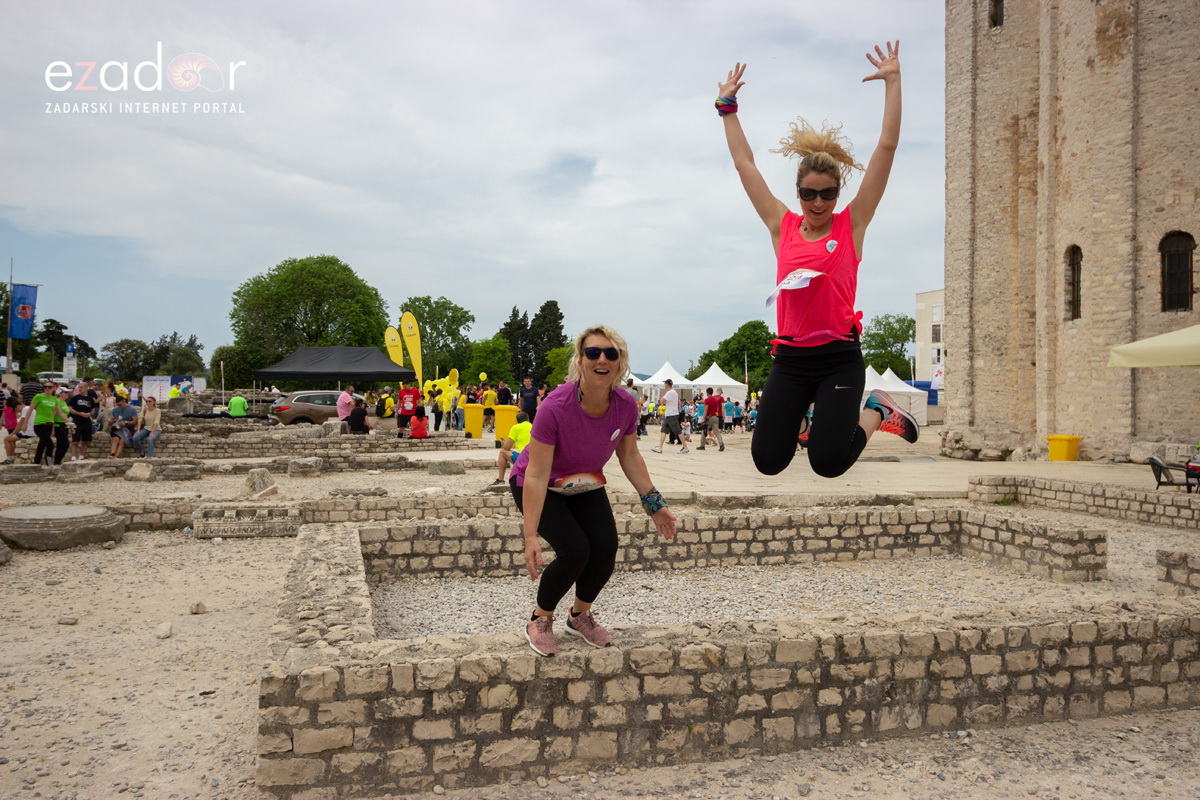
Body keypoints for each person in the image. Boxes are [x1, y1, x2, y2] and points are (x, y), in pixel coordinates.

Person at [717, 47, 918, 481]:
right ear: (798, 193)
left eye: (828, 193)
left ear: (838, 194)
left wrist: (894, 82)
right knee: (768, 461)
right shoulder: (781, 225)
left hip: (838, 356)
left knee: (828, 463)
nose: (819, 202)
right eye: (809, 194)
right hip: (789, 357)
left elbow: (887, 146)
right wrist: (727, 108)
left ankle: (877, 410)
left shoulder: (853, 224)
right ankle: (809, 419)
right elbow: (744, 164)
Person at [510, 325, 677, 657]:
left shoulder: (626, 406)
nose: (602, 359)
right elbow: (537, 473)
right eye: (593, 352)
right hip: (536, 483)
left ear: (619, 363)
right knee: (575, 551)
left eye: (610, 354)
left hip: (583, 483)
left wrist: (654, 503)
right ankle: (540, 619)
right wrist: (530, 536)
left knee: (604, 548)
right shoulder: (555, 405)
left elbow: (629, 455)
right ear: (581, 360)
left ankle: (579, 615)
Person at [494, 410, 533, 485]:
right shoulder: (533, 426)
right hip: (534, 459)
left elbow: (507, 447)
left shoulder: (516, 427)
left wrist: (503, 443)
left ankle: (500, 480)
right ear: (528, 419)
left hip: (524, 459)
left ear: (517, 421)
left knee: (502, 452)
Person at [650, 379, 688, 454]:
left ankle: (685, 447)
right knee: (663, 430)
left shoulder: (670, 392)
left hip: (672, 415)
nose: (664, 385)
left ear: (667, 385)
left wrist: (662, 397)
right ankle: (660, 447)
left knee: (678, 431)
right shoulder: (673, 392)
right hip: (670, 414)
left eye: (665, 384)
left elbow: (662, 401)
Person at [31, 381, 62, 467]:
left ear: (53, 388)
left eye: (49, 387)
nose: (47, 388)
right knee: (50, 445)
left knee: (42, 445)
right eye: (45, 387)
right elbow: (30, 410)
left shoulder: (54, 399)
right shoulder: (38, 396)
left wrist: (68, 422)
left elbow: (57, 413)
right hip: (39, 424)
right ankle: (49, 464)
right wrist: (25, 423)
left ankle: (36, 463)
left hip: (49, 424)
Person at [67, 381, 99, 461]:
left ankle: (81, 457)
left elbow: (93, 409)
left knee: (85, 441)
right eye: (79, 387)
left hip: (87, 422)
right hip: (76, 421)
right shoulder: (75, 398)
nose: (79, 389)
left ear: (86, 388)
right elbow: (70, 409)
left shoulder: (90, 399)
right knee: (75, 441)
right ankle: (73, 457)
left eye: (81, 387)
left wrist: (90, 414)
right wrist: (79, 413)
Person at [2, 397, 34, 464]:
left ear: (18, 406)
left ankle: (9, 459)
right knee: (12, 440)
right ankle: (13, 457)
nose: (17, 411)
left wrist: (13, 433)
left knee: (6, 439)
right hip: (32, 431)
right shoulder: (29, 408)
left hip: (28, 432)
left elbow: (20, 423)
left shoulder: (25, 409)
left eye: (16, 409)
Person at [697, 387, 726, 451]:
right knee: (717, 432)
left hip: (709, 417)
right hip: (716, 417)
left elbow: (705, 410)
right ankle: (721, 444)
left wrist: (703, 418)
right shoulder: (715, 400)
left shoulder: (707, 400)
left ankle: (702, 445)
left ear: (707, 393)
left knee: (704, 431)